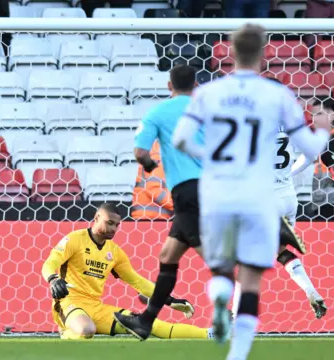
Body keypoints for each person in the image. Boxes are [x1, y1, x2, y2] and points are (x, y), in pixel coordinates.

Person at [171, 24, 331, 359]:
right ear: (262, 51)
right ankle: (237, 354)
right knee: (254, 274)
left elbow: (181, 140)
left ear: (230, 51)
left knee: (223, 266)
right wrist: (324, 128)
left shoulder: (210, 93)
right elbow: (311, 148)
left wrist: (213, 158)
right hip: (269, 195)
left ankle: (220, 298)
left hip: (224, 192)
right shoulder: (277, 98)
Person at [113, 65, 205, 341]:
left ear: (169, 86)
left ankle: (239, 314)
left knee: (218, 263)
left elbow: (140, 152)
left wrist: (149, 163)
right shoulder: (207, 111)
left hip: (189, 194)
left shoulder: (157, 113)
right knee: (167, 257)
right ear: (196, 85)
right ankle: (145, 322)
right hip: (208, 189)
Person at [42, 203, 214, 340]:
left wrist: (169, 300)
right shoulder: (74, 239)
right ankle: (66, 333)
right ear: (96, 218)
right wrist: (53, 279)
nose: (113, 229)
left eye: (117, 225)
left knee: (148, 324)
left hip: (96, 307)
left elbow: (137, 281)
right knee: (86, 330)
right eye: (109, 223)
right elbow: (50, 263)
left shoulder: (115, 252)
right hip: (68, 302)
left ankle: (210, 334)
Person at [231, 78, 328, 321]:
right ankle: (310, 290)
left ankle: (234, 315)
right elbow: (311, 154)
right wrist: (288, 173)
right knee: (280, 250)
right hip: (288, 197)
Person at [292, 99, 334, 207]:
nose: (314, 119)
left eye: (319, 114)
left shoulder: (331, 141)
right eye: (313, 115)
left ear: (332, 114)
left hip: (333, 204)